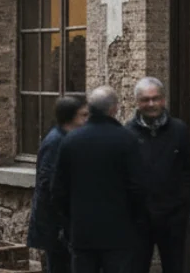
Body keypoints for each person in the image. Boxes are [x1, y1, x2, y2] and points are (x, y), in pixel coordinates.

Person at [53, 86, 147, 273]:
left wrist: (69, 223)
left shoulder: (71, 141)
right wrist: (137, 222)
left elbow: (58, 190)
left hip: (83, 232)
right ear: (114, 109)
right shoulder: (127, 140)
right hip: (120, 232)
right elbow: (138, 188)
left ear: (90, 108)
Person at [125, 77, 190, 273]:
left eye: (156, 99)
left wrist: (183, 204)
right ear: (137, 102)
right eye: (145, 100)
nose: (151, 104)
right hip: (138, 219)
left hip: (173, 218)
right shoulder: (127, 134)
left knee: (174, 266)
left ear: (164, 100)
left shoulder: (179, 130)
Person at [28, 96, 90, 273]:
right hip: (54, 224)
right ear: (70, 117)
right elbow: (49, 184)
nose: (86, 120)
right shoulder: (56, 142)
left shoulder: (67, 139)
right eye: (83, 115)